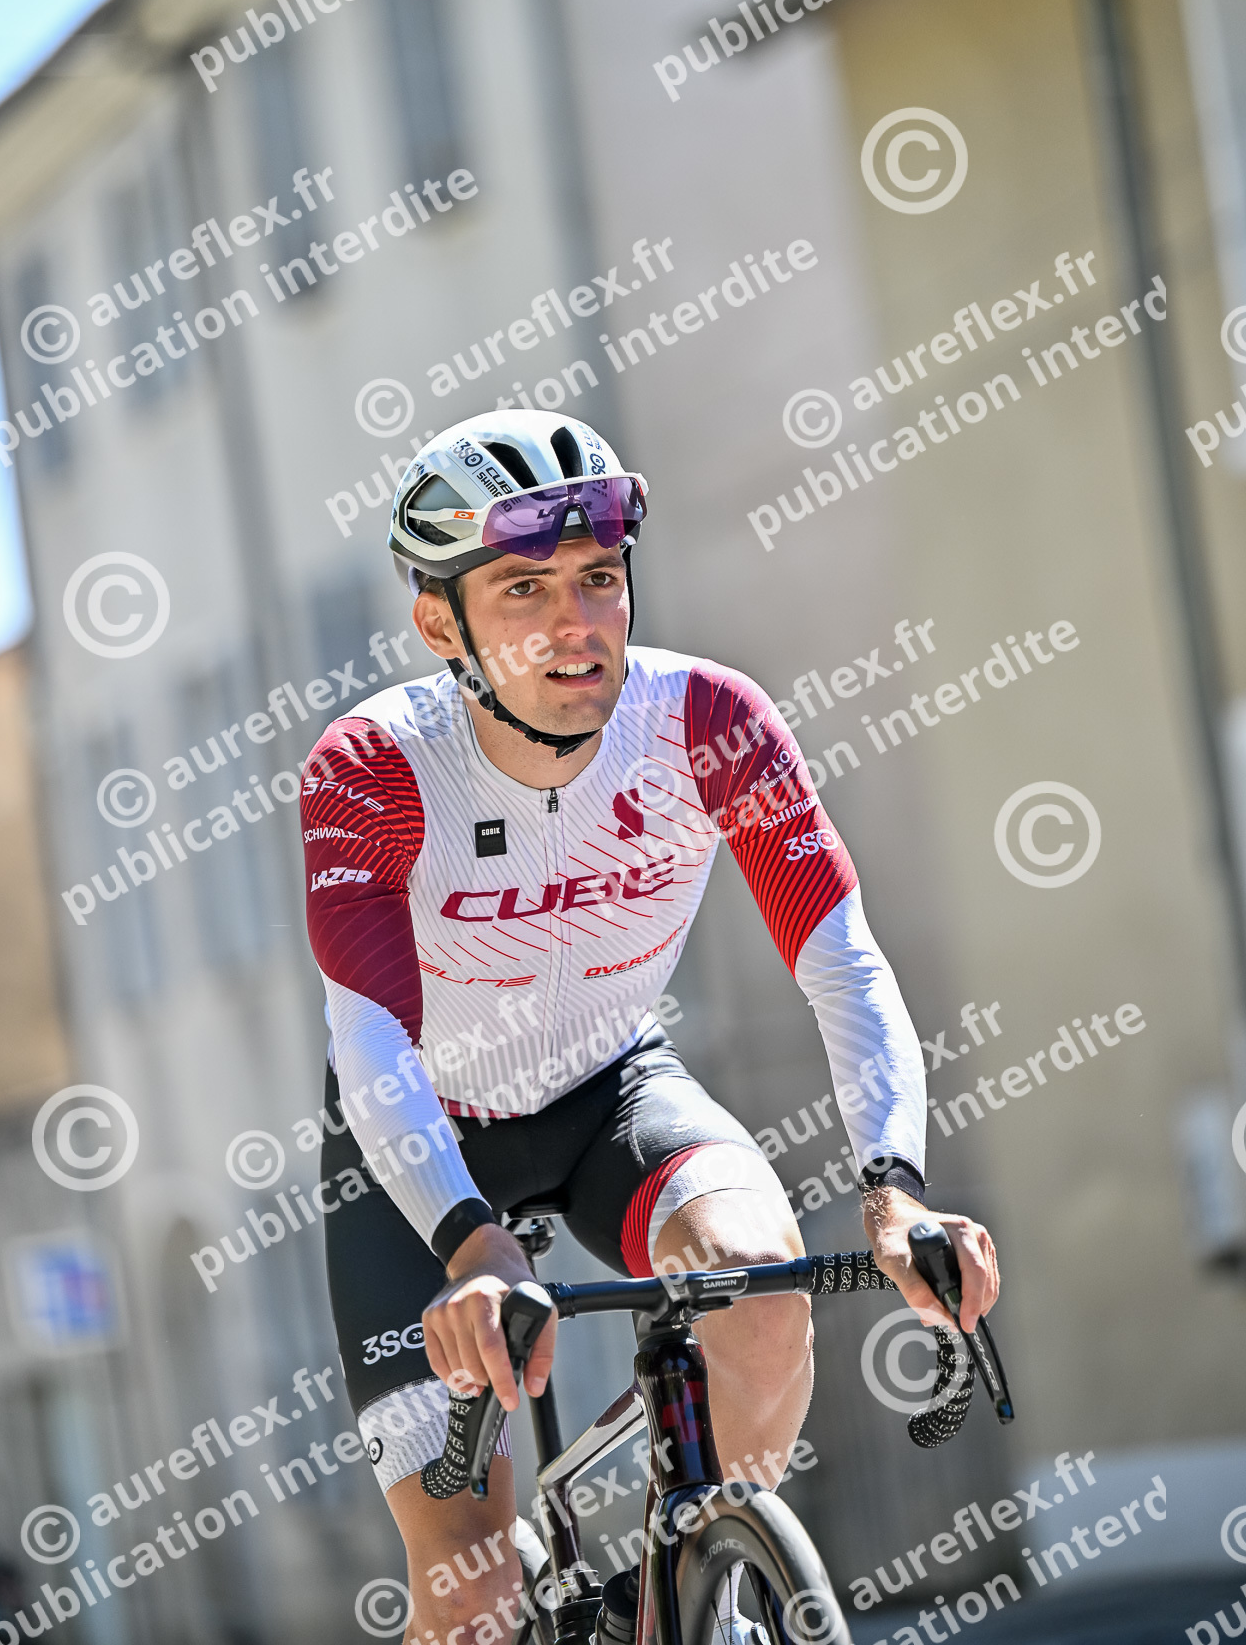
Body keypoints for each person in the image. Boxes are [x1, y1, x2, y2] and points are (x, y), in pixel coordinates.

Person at [301, 411, 998, 1644]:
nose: (576, 622)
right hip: (419, 1147)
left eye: (598, 578)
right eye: (523, 590)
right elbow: (372, 1045)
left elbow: (842, 963)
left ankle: (694, 1591)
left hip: (612, 1091)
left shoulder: (706, 721)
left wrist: (894, 1190)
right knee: (470, 1595)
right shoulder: (373, 767)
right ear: (440, 626)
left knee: (757, 1283)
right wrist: (468, 1240)